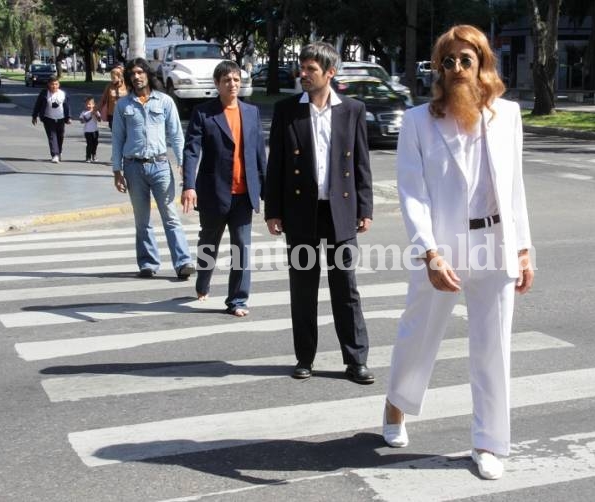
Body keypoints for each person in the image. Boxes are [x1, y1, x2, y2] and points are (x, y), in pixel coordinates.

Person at [381, 25, 534, 481]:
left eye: (466, 60)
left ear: (483, 64)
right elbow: (413, 195)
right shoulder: (418, 122)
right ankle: (396, 406)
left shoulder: (507, 116)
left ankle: (487, 442)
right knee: (418, 332)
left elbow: (515, 190)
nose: (457, 69)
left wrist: (525, 249)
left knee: (493, 347)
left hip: (495, 243)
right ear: (439, 69)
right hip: (443, 247)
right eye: (448, 61)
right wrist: (429, 253)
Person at [265, 41, 375, 384]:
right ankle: (305, 357)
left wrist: (365, 207)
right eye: (302, 68)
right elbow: (276, 164)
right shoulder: (287, 110)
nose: (304, 74)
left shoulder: (352, 110)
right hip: (301, 211)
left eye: (311, 69)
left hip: (340, 211)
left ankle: (355, 360)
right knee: (303, 287)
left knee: (346, 288)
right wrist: (273, 210)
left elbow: (361, 163)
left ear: (330, 72)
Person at [181, 61, 267, 317]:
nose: (232, 84)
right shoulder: (204, 113)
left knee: (242, 247)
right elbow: (191, 151)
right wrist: (189, 185)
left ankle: (238, 300)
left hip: (244, 194)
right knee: (209, 243)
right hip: (213, 192)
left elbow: (260, 154)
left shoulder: (251, 112)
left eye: (236, 80)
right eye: (227, 80)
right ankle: (203, 281)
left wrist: (267, 192)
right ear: (217, 84)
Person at [111, 58, 195, 280]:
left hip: (160, 166)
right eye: (132, 74)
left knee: (170, 216)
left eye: (140, 72)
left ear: (148, 75)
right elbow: (118, 138)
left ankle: (183, 261)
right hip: (133, 167)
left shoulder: (165, 102)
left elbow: (177, 136)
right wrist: (116, 170)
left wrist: (183, 164)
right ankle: (148, 263)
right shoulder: (123, 105)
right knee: (142, 220)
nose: (136, 77)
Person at [31, 76, 71, 163]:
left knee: (60, 137)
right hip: (48, 118)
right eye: (52, 84)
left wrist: (68, 117)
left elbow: (67, 107)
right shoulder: (44, 93)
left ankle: (59, 152)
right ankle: (55, 154)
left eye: (56, 84)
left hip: (60, 118)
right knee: (52, 137)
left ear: (59, 84)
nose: (54, 86)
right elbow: (38, 104)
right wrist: (34, 116)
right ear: (48, 85)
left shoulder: (62, 94)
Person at [79, 96, 101, 163]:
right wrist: (89, 116)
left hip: (95, 131)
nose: (88, 105)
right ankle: (88, 157)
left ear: (93, 105)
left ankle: (94, 155)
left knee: (95, 143)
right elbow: (82, 121)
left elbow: (99, 120)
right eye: (87, 104)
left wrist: (96, 115)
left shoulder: (96, 111)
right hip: (87, 131)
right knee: (89, 144)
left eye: (90, 104)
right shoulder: (84, 113)